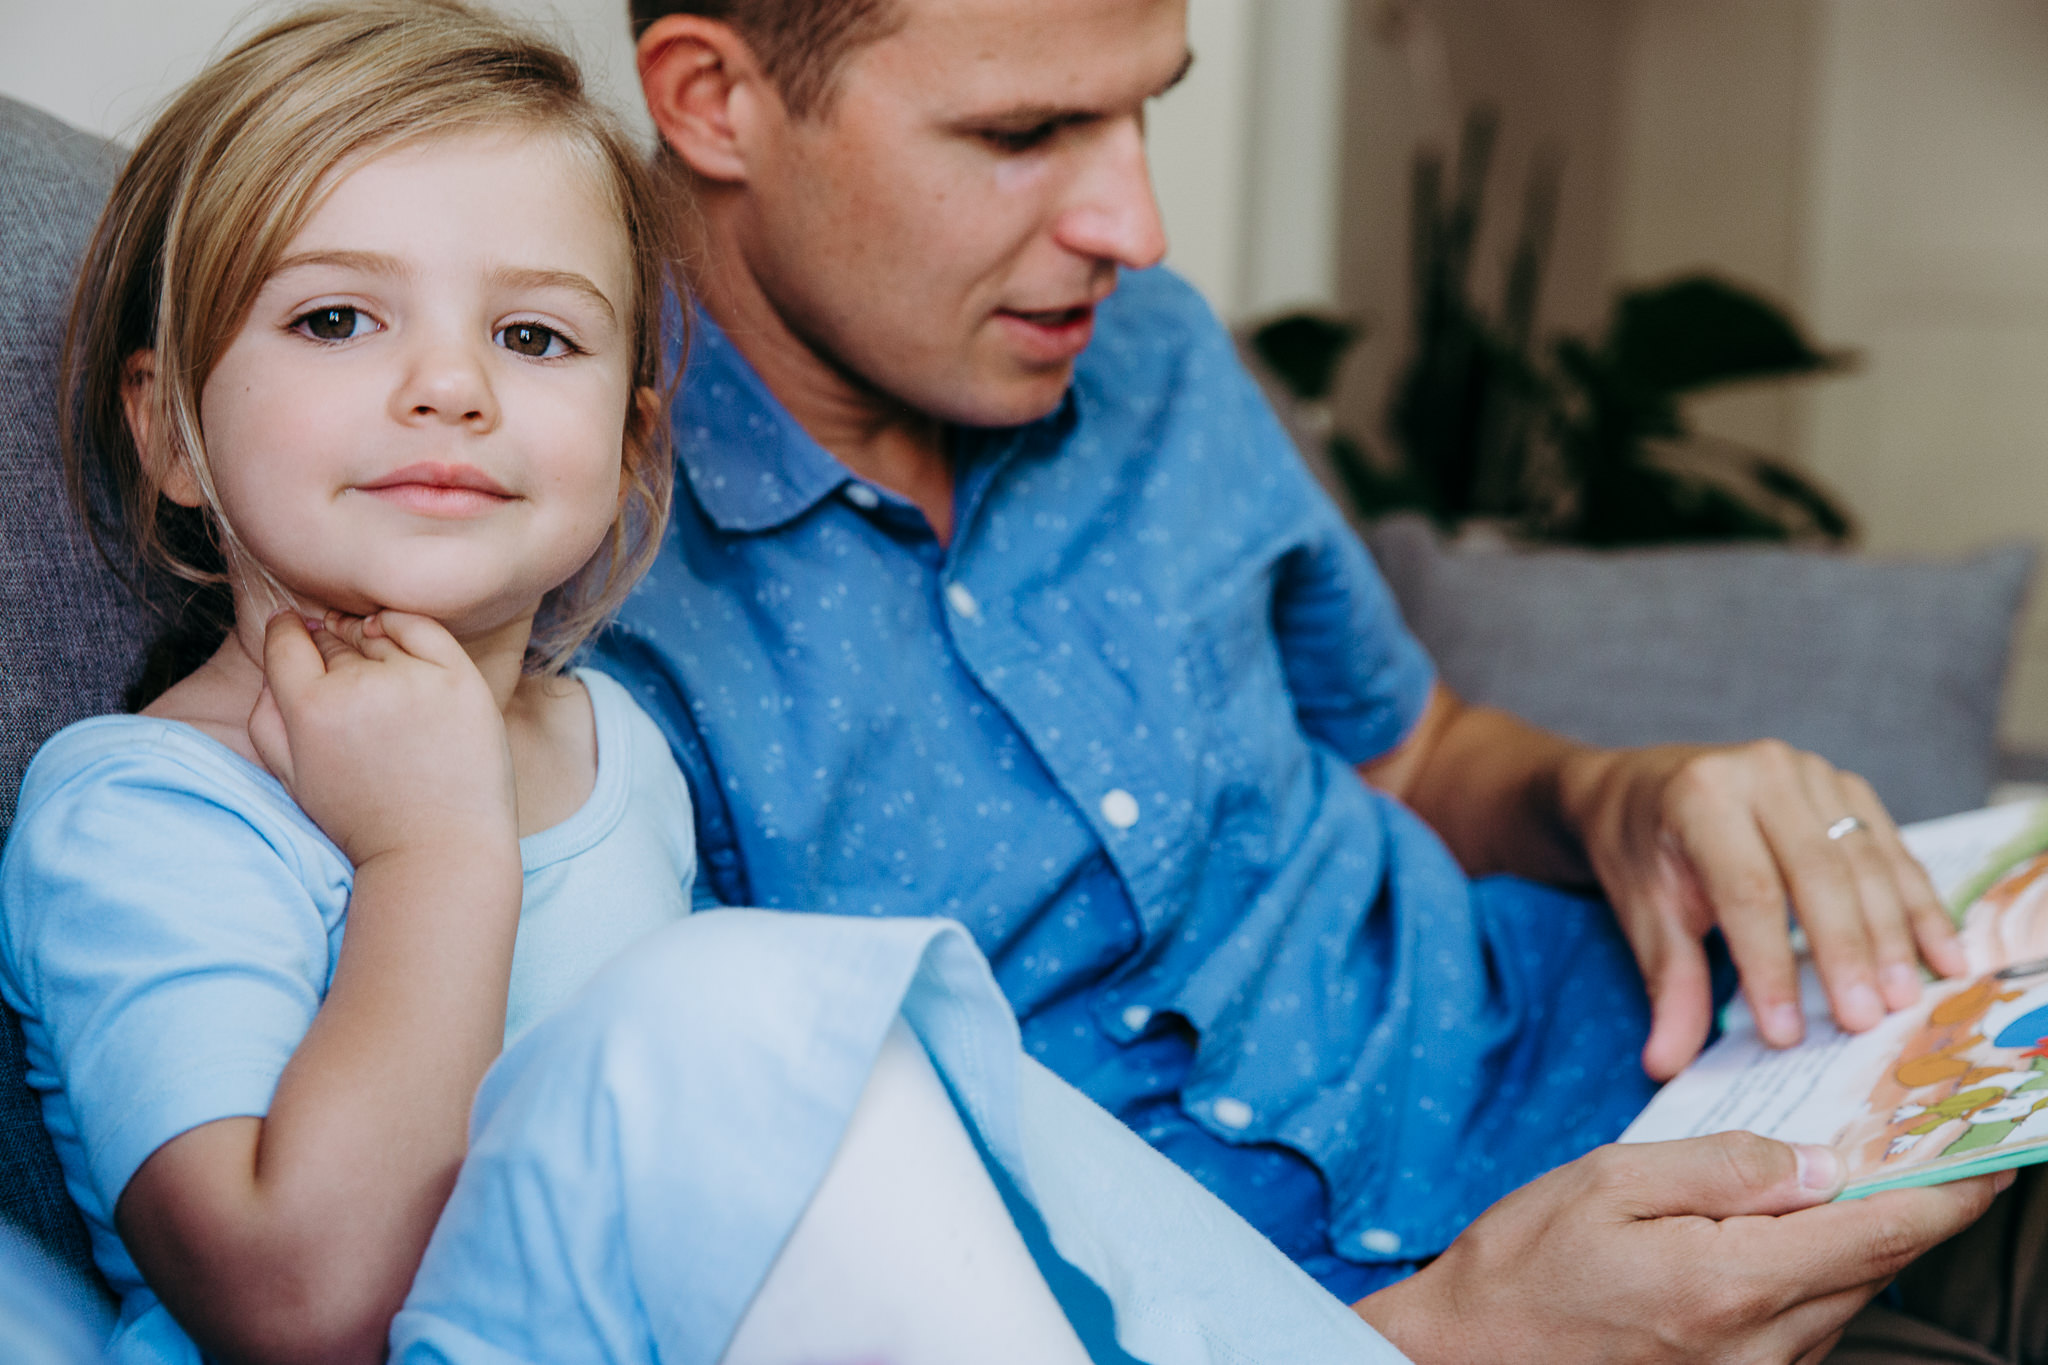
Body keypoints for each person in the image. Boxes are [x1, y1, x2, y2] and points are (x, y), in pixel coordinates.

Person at [597, 0, 2020, 1358]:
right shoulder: (554, 562)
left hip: (1657, 1067)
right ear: (715, 103)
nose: (1135, 230)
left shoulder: (1148, 352)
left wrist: (1622, 794)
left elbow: (1407, 748)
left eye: (1149, 108)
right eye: (1022, 134)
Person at [0, 5, 1412, 1363]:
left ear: (628, 450)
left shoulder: (616, 743)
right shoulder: (146, 807)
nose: (449, 386)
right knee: (743, 1004)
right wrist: (429, 846)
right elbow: (301, 1310)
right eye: (334, 320)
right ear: (170, 431)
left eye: (534, 337)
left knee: (875, 1018)